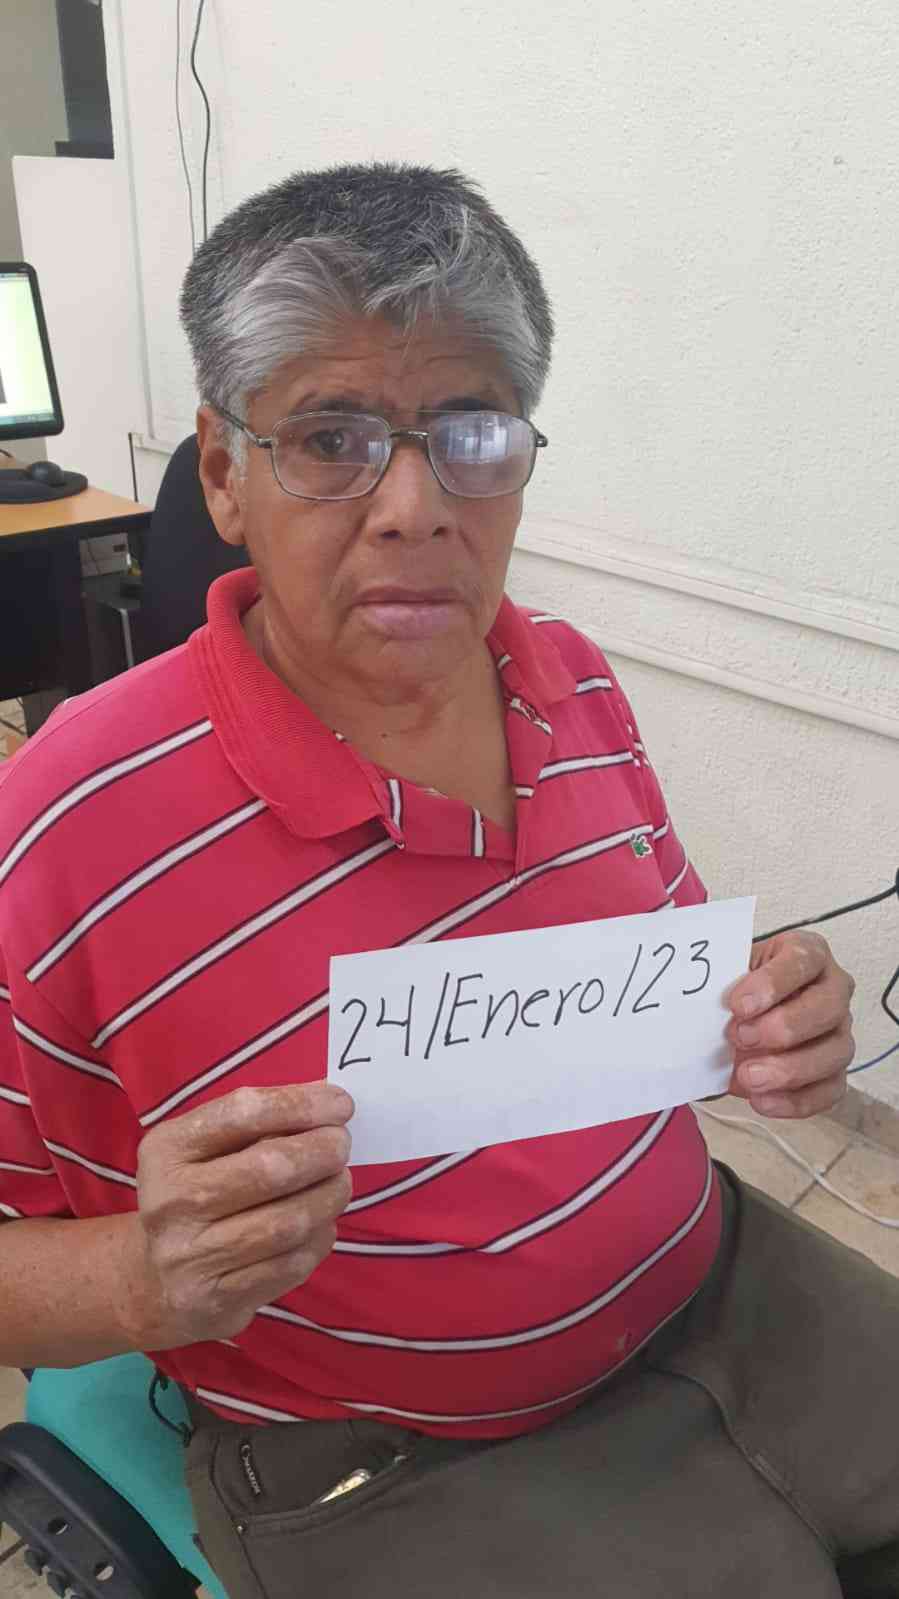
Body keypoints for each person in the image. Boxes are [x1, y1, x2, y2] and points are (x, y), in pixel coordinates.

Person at [0, 162, 895, 1599]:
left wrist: (777, 1015)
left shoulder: (572, 678)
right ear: (223, 474)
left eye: (472, 431)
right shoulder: (64, 821)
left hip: (721, 1287)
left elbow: (671, 971)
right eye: (329, 437)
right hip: (398, 1455)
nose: (415, 505)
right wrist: (137, 1281)